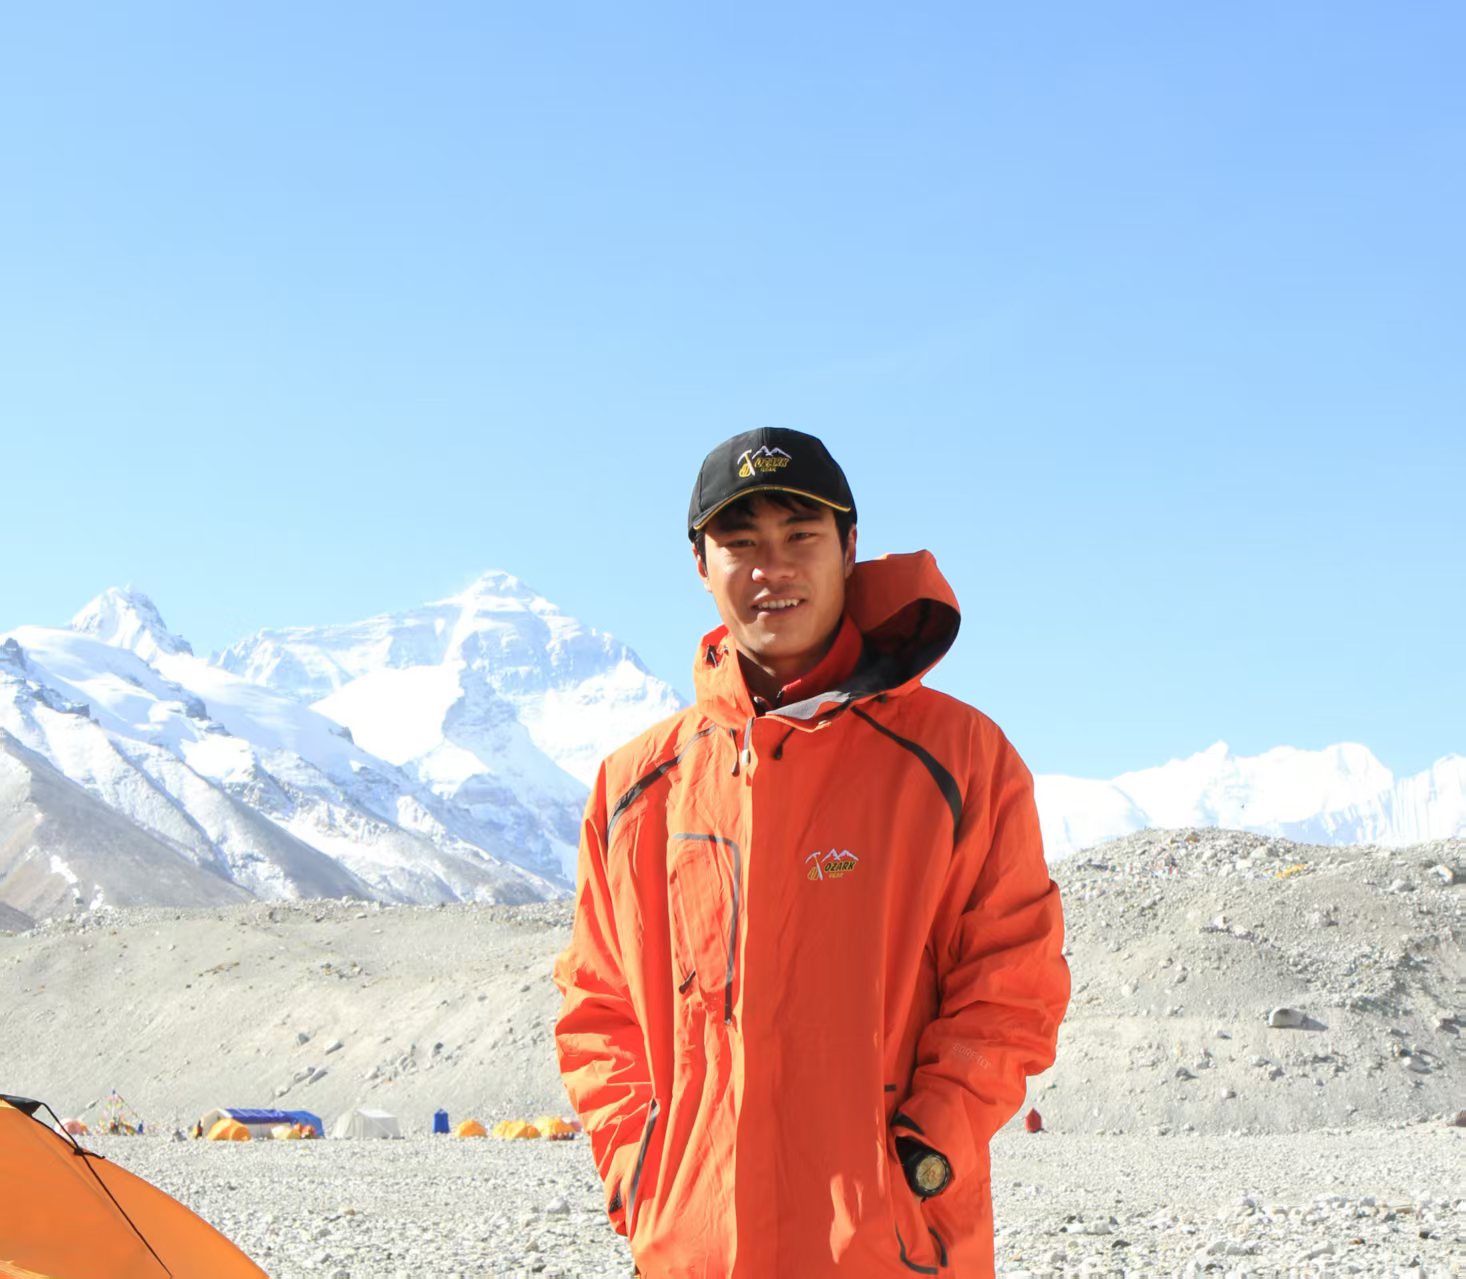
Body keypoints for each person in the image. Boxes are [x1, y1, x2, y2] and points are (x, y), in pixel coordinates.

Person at [553, 427, 1070, 1277]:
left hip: (891, 1251)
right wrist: (641, 1172)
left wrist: (923, 1153)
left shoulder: (962, 759)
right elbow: (597, 1008)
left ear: (850, 547)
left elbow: (1014, 985)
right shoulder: (634, 788)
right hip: (695, 1253)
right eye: (742, 543)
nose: (774, 568)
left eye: (801, 536)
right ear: (700, 563)